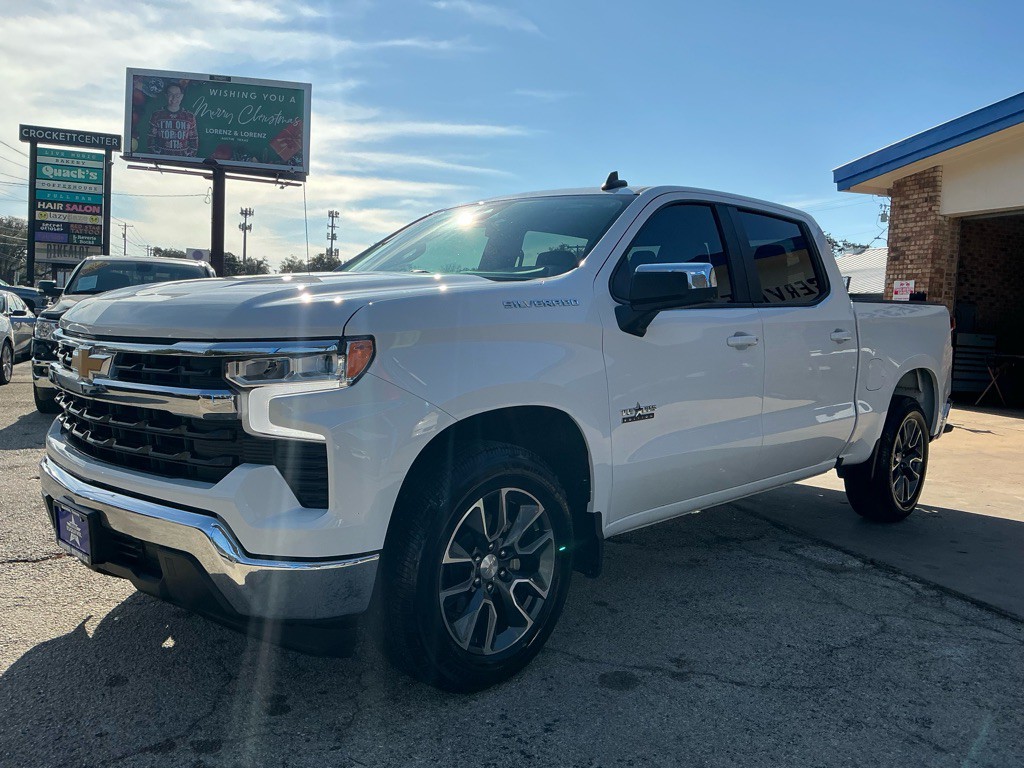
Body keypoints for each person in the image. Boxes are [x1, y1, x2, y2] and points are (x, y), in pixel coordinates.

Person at [147, 82, 199, 157]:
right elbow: (150, 139)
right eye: (170, 94)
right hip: (161, 161)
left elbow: (194, 141)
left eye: (177, 95)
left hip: (183, 162)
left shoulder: (189, 116)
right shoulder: (157, 115)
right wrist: (157, 156)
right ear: (166, 96)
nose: (174, 98)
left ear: (181, 97)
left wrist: (187, 158)